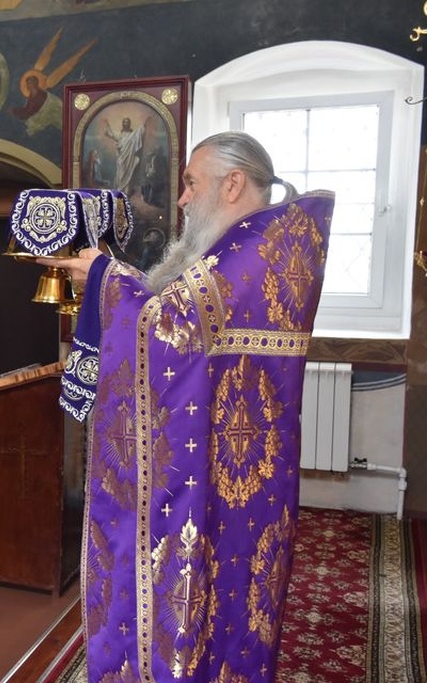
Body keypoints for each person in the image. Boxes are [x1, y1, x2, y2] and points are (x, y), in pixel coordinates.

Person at [42, 131, 334, 682]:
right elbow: (185, 323)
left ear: (233, 183)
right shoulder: (259, 245)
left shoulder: (251, 252)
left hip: (222, 470)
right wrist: (121, 280)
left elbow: (168, 331)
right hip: (238, 467)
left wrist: (105, 276)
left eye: (191, 183)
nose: (181, 199)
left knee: (216, 596)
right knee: (225, 600)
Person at [104, 116, 146, 195]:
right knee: (120, 174)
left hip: (129, 158)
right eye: (124, 122)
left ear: (129, 124)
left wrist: (144, 124)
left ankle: (126, 193)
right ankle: (120, 191)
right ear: (122, 123)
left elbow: (139, 132)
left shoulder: (133, 135)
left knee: (129, 174)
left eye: (127, 122)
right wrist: (107, 124)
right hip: (121, 158)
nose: (126, 123)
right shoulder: (120, 135)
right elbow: (111, 134)